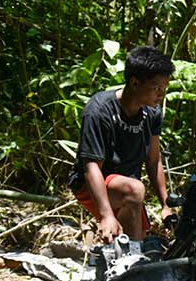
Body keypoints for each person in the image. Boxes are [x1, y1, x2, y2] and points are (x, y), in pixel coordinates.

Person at [69, 46, 175, 243]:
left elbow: (153, 160)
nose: (161, 94)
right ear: (135, 82)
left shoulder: (152, 113)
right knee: (134, 191)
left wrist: (165, 205)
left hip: (127, 185)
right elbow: (91, 166)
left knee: (138, 239)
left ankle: (125, 259)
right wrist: (106, 215)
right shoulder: (99, 110)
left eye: (164, 89)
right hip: (93, 184)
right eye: (156, 88)